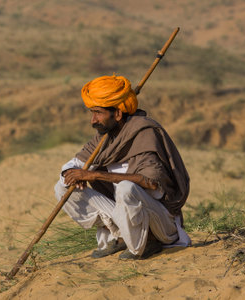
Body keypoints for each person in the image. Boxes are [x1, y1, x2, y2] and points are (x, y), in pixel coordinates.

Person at [54, 75, 190, 260]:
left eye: (98, 113)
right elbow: (74, 164)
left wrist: (95, 176)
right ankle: (120, 235)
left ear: (117, 114)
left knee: (127, 188)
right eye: (92, 113)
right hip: (124, 214)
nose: (93, 120)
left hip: (160, 221)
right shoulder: (105, 136)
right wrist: (71, 174)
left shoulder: (144, 133)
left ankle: (147, 242)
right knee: (62, 187)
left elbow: (150, 183)